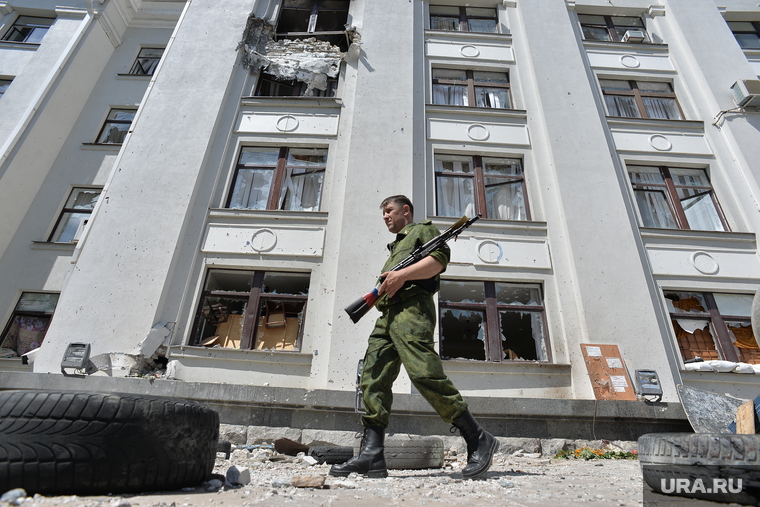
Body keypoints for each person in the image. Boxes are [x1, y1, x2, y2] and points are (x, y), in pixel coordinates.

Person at [330, 195, 498, 480]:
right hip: (388, 316)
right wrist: (387, 284)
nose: (385, 216)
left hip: (412, 311)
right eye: (383, 212)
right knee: (372, 377)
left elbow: (436, 263)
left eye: (389, 211)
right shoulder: (395, 248)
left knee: (424, 373)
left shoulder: (423, 231)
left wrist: (402, 276)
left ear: (405, 210)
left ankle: (478, 437)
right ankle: (372, 455)